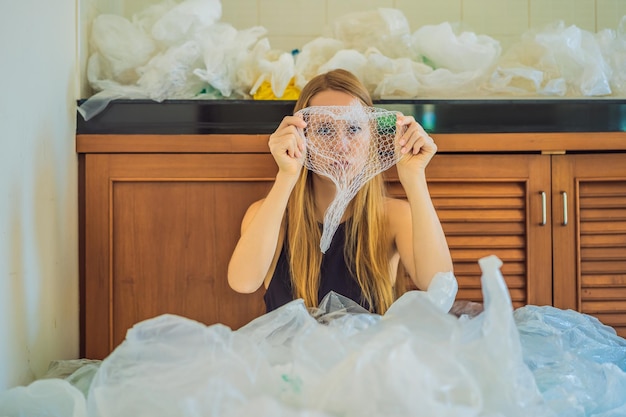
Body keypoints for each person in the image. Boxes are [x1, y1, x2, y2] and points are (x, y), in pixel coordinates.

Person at [227, 68, 453, 314]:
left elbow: (440, 288)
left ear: (372, 138)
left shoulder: (395, 217)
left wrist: (414, 177)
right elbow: (243, 282)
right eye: (324, 130)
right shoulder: (269, 215)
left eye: (354, 129)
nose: (341, 146)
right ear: (302, 137)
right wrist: (287, 175)